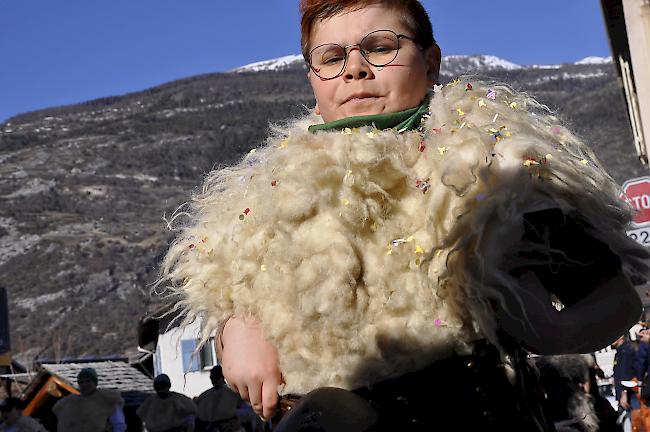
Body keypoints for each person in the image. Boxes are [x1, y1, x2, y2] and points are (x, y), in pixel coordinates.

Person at [158, 0, 648, 430]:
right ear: (313, 78)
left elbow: (615, 305)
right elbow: (230, 288)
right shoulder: (258, 202)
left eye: (379, 47)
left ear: (431, 62)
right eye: (331, 57)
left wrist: (545, 328)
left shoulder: (493, 174)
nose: (354, 70)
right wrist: (235, 326)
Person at [52, 367, 125, 432]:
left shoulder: (107, 399)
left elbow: (119, 424)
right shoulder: (69, 403)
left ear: (95, 383)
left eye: (88, 381)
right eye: (81, 382)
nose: (84, 384)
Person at [195, 366, 245, 432]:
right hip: (212, 427)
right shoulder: (205, 396)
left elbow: (245, 410)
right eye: (212, 378)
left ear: (222, 377)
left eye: (215, 377)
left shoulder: (234, 392)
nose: (213, 380)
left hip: (231, 426)